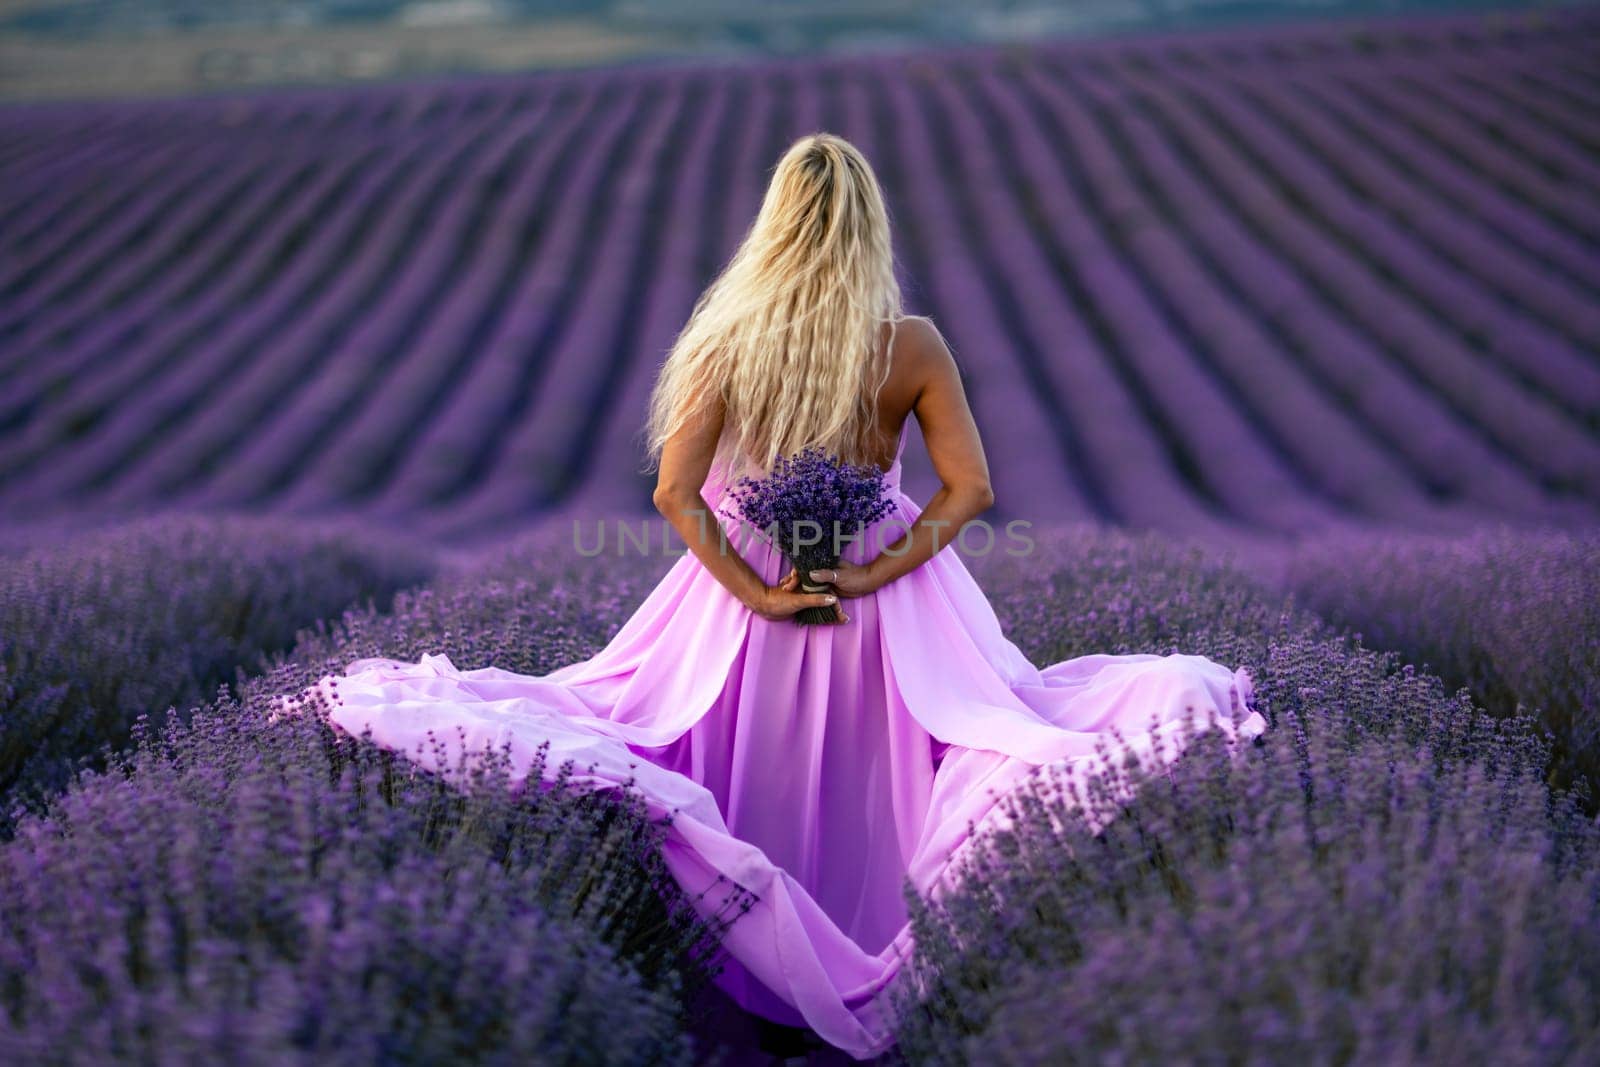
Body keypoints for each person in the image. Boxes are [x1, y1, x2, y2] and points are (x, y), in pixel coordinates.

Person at [282, 133, 1267, 1061]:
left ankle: (741, 978)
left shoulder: (726, 344)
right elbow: (971, 487)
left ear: (775, 225)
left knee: (689, 744)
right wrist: (876, 569)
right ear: (868, 230)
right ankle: (887, 956)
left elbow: (674, 492)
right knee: (931, 750)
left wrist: (759, 590)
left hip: (740, 602)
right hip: (887, 603)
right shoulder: (909, 344)